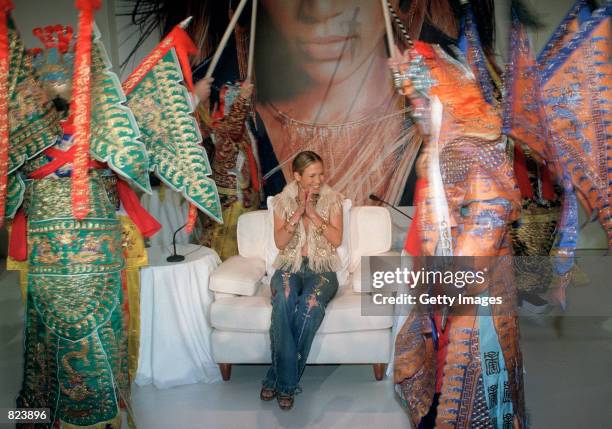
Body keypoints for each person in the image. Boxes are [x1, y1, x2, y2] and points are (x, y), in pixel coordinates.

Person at [390, 40, 526, 428]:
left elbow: (491, 214)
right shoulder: (440, 142)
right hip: (436, 275)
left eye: (421, 98)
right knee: (435, 357)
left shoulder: (472, 147)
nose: (415, 109)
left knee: (471, 380)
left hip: (470, 290)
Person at [260, 150, 344, 410]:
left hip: (322, 269)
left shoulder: (333, 200)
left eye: (321, 174)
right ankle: (287, 383)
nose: (318, 180)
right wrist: (297, 214)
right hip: (290, 266)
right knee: (284, 298)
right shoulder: (281, 203)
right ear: (297, 176)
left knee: (309, 304)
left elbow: (336, 240)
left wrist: (314, 214)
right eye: (311, 175)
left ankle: (278, 379)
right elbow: (280, 242)